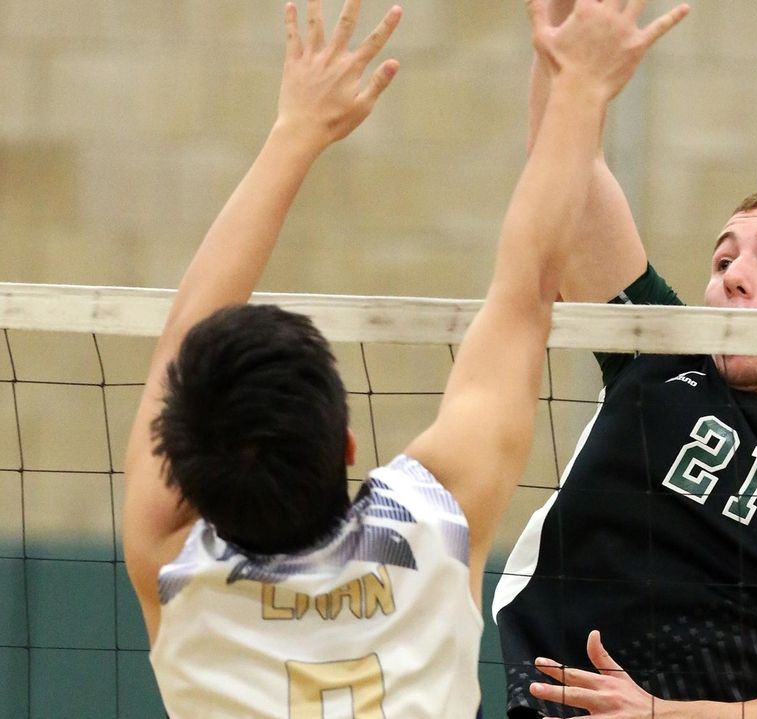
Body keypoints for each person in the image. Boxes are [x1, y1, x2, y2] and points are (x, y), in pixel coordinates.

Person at [120, 0, 688, 715]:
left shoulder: (171, 565)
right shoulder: (432, 521)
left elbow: (181, 332)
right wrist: (578, 89)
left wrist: (293, 133)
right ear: (347, 442)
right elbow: (528, 286)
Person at [495, 2, 757, 717]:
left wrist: (661, 714)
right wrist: (569, 42)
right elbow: (561, 168)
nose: (734, 272)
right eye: (722, 258)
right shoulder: (659, 356)